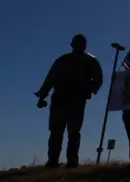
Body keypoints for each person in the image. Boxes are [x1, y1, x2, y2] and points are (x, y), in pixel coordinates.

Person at [35, 34, 103, 169]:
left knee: (74, 132)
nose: (79, 46)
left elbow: (97, 80)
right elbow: (51, 78)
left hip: (77, 100)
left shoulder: (90, 61)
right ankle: (53, 161)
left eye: (82, 43)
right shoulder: (63, 60)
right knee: (56, 131)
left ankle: (72, 161)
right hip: (60, 99)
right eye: (77, 43)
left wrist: (89, 90)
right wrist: (43, 95)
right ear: (72, 45)